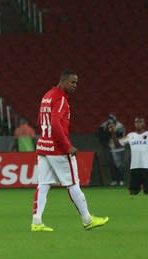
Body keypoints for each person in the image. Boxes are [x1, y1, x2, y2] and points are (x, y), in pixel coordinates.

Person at [31, 70, 109, 231]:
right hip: (58, 149)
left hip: (43, 146)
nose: (75, 86)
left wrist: (46, 137)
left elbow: (40, 121)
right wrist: (67, 146)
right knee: (73, 184)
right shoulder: (60, 98)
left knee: (44, 184)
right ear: (63, 81)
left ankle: (36, 221)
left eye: (76, 83)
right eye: (72, 82)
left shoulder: (47, 95)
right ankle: (87, 219)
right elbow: (55, 123)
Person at [109, 116, 148, 194]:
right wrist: (112, 132)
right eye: (136, 122)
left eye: (140, 122)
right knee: (133, 192)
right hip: (135, 167)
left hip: (146, 167)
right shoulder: (131, 135)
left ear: (144, 124)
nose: (138, 124)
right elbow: (117, 144)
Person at [98, 114, 126, 186]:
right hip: (110, 147)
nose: (110, 123)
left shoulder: (120, 126)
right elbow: (100, 132)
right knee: (112, 165)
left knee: (119, 165)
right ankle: (114, 180)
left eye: (112, 122)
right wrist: (107, 130)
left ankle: (121, 180)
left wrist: (112, 131)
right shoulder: (105, 124)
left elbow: (119, 137)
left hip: (119, 148)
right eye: (109, 122)